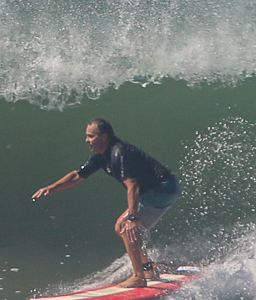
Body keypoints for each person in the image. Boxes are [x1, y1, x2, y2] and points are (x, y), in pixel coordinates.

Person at [31, 118, 180, 288]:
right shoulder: (101, 156)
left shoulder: (119, 153)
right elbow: (76, 176)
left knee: (126, 226)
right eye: (87, 136)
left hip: (162, 189)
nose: (87, 140)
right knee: (121, 227)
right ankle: (148, 269)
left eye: (91, 136)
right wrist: (51, 187)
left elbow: (133, 186)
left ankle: (139, 276)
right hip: (153, 191)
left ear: (104, 137)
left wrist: (132, 217)